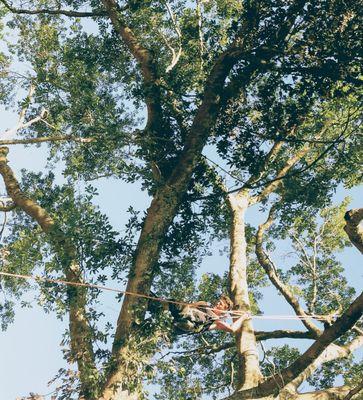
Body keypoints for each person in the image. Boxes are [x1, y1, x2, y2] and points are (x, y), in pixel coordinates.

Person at [167, 295, 250, 335]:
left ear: (224, 310)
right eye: (218, 301)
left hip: (191, 325)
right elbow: (189, 306)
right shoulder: (204, 304)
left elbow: (232, 328)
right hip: (185, 315)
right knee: (174, 303)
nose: (217, 303)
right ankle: (160, 305)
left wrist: (243, 317)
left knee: (191, 320)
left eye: (220, 304)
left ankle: (173, 324)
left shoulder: (217, 321)